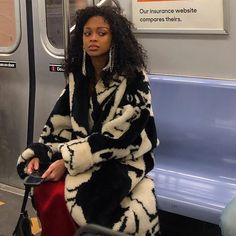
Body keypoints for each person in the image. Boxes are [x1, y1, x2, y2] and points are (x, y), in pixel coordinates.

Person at [17, 4, 160, 236]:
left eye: (101, 33)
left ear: (115, 38)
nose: (93, 38)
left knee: (84, 197)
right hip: (83, 155)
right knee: (45, 186)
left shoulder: (134, 78)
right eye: (87, 33)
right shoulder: (78, 77)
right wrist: (42, 153)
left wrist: (67, 160)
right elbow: (59, 124)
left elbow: (120, 139)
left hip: (125, 157)